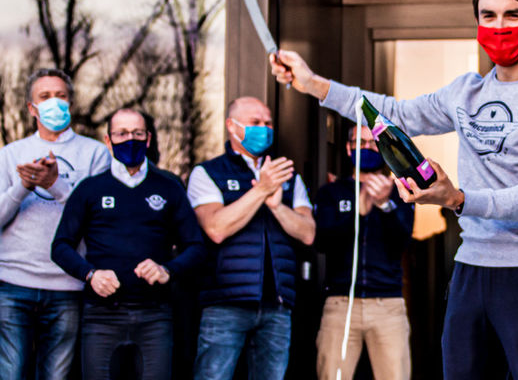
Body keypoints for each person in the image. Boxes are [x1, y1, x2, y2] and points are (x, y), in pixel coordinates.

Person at [272, 0, 518, 380]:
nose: (499, 26)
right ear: (477, 20)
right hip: (470, 270)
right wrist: (313, 83)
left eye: (513, 15)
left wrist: (456, 198)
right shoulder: (466, 92)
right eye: (488, 15)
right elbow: (390, 114)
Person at [50, 108, 205, 380]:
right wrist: (90, 274)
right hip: (101, 317)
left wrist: (168, 270)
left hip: (155, 316)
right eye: (121, 133)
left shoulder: (169, 186)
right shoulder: (90, 189)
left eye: (137, 133)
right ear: (108, 141)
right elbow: (60, 246)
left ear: (147, 139)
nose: (129, 139)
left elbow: (196, 247)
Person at [188, 96, 315, 380]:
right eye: (255, 122)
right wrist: (261, 191)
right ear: (232, 127)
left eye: (268, 122)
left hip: (277, 305)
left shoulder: (288, 175)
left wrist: (276, 206)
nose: (264, 128)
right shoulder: (207, 172)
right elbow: (216, 229)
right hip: (225, 303)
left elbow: (308, 233)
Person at [0, 68, 111, 380]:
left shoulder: (96, 154)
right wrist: (23, 185)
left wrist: (54, 185)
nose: (54, 103)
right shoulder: (11, 154)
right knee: (11, 373)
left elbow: (98, 219)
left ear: (71, 103)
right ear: (31, 108)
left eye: (61, 96)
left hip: (68, 286)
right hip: (13, 284)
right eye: (45, 97)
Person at [314, 124, 414, 380]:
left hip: (388, 305)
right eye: (360, 143)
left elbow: (402, 240)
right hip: (341, 304)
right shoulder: (331, 193)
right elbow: (323, 241)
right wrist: (359, 211)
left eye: (373, 144)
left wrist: (384, 205)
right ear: (349, 148)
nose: (367, 148)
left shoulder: (400, 192)